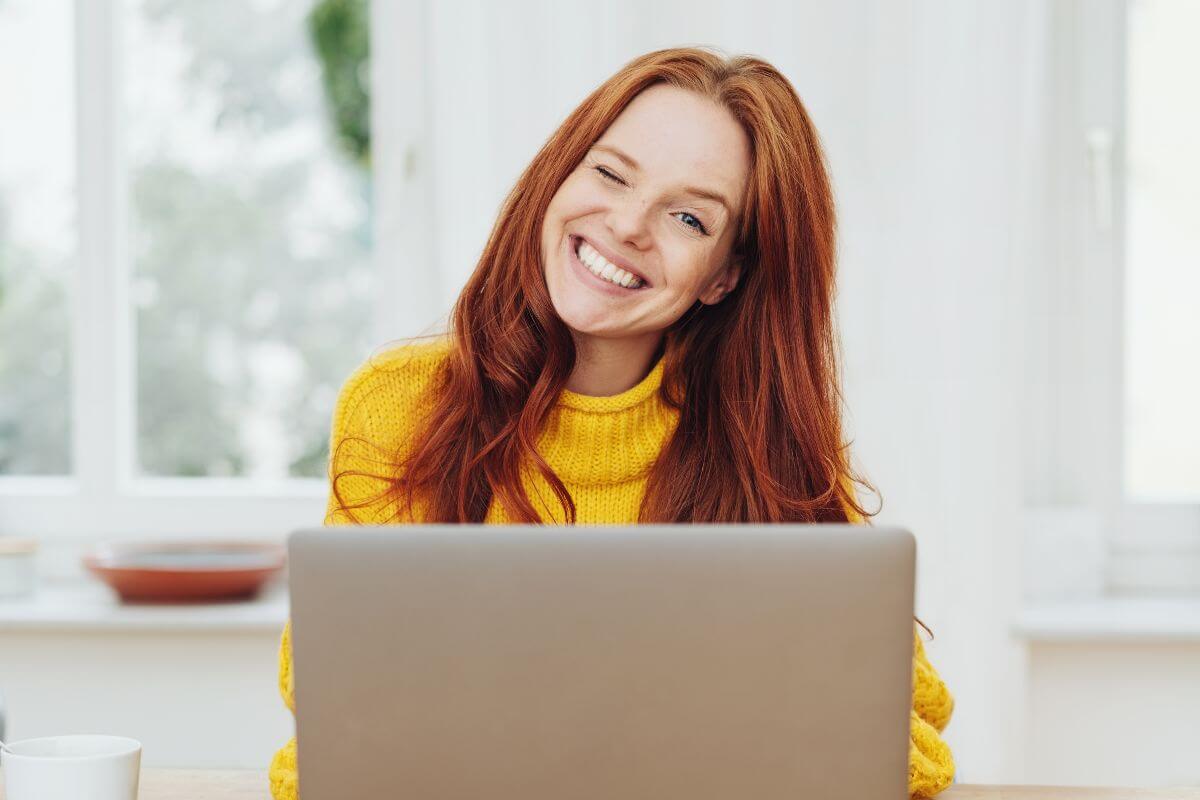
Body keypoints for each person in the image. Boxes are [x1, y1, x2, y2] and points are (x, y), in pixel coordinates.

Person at [268, 46, 956, 799]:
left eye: (689, 217)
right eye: (610, 173)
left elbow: (906, 734)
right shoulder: (401, 403)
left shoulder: (768, 454)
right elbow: (336, 711)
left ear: (725, 276)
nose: (628, 224)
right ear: (559, 176)